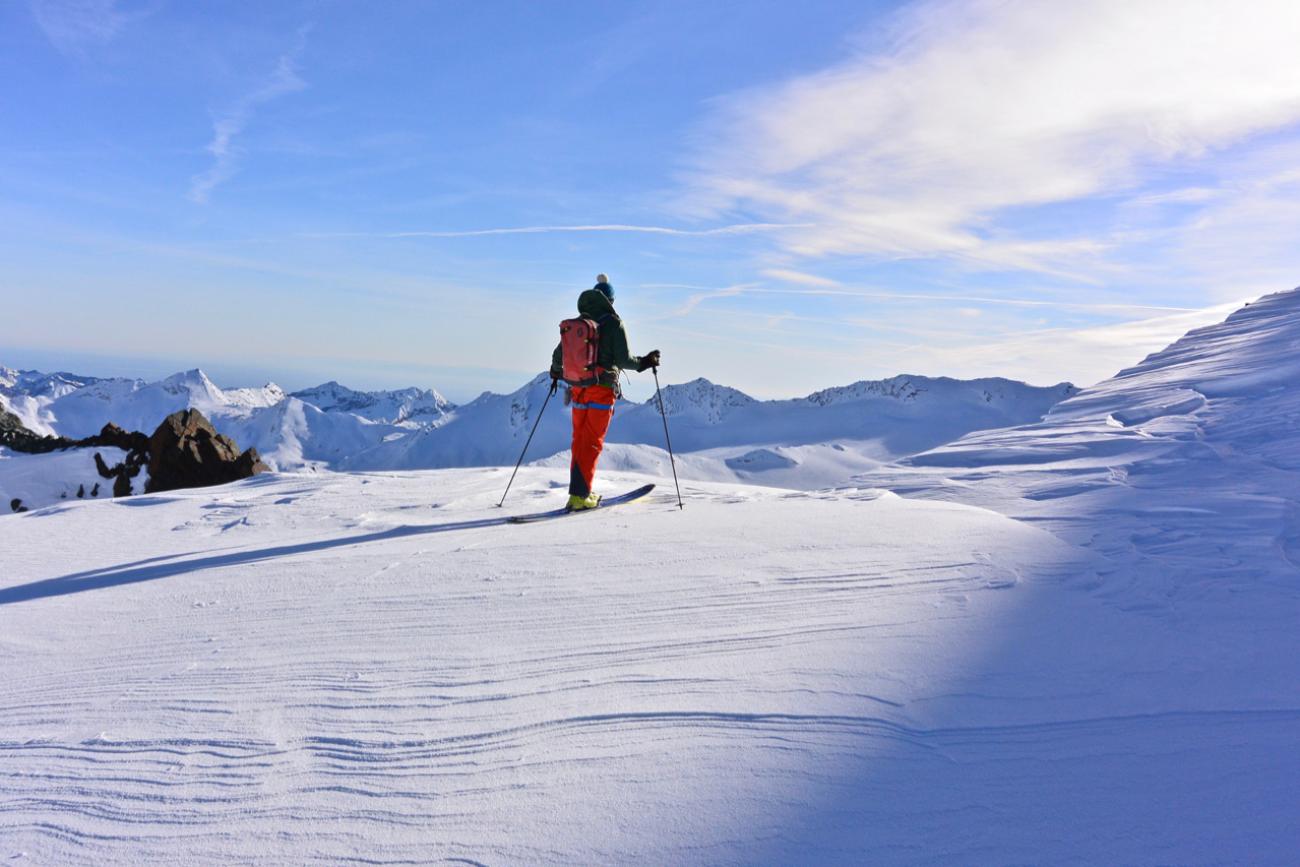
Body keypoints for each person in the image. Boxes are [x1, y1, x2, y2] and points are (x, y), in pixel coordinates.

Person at [550, 274, 660, 511]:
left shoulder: (578, 323)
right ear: (611, 300)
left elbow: (558, 355)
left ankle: (578, 493)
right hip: (601, 391)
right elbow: (624, 360)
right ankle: (580, 496)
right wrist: (646, 362)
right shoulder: (613, 323)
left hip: (578, 389)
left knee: (579, 440)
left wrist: (556, 373)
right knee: (591, 443)